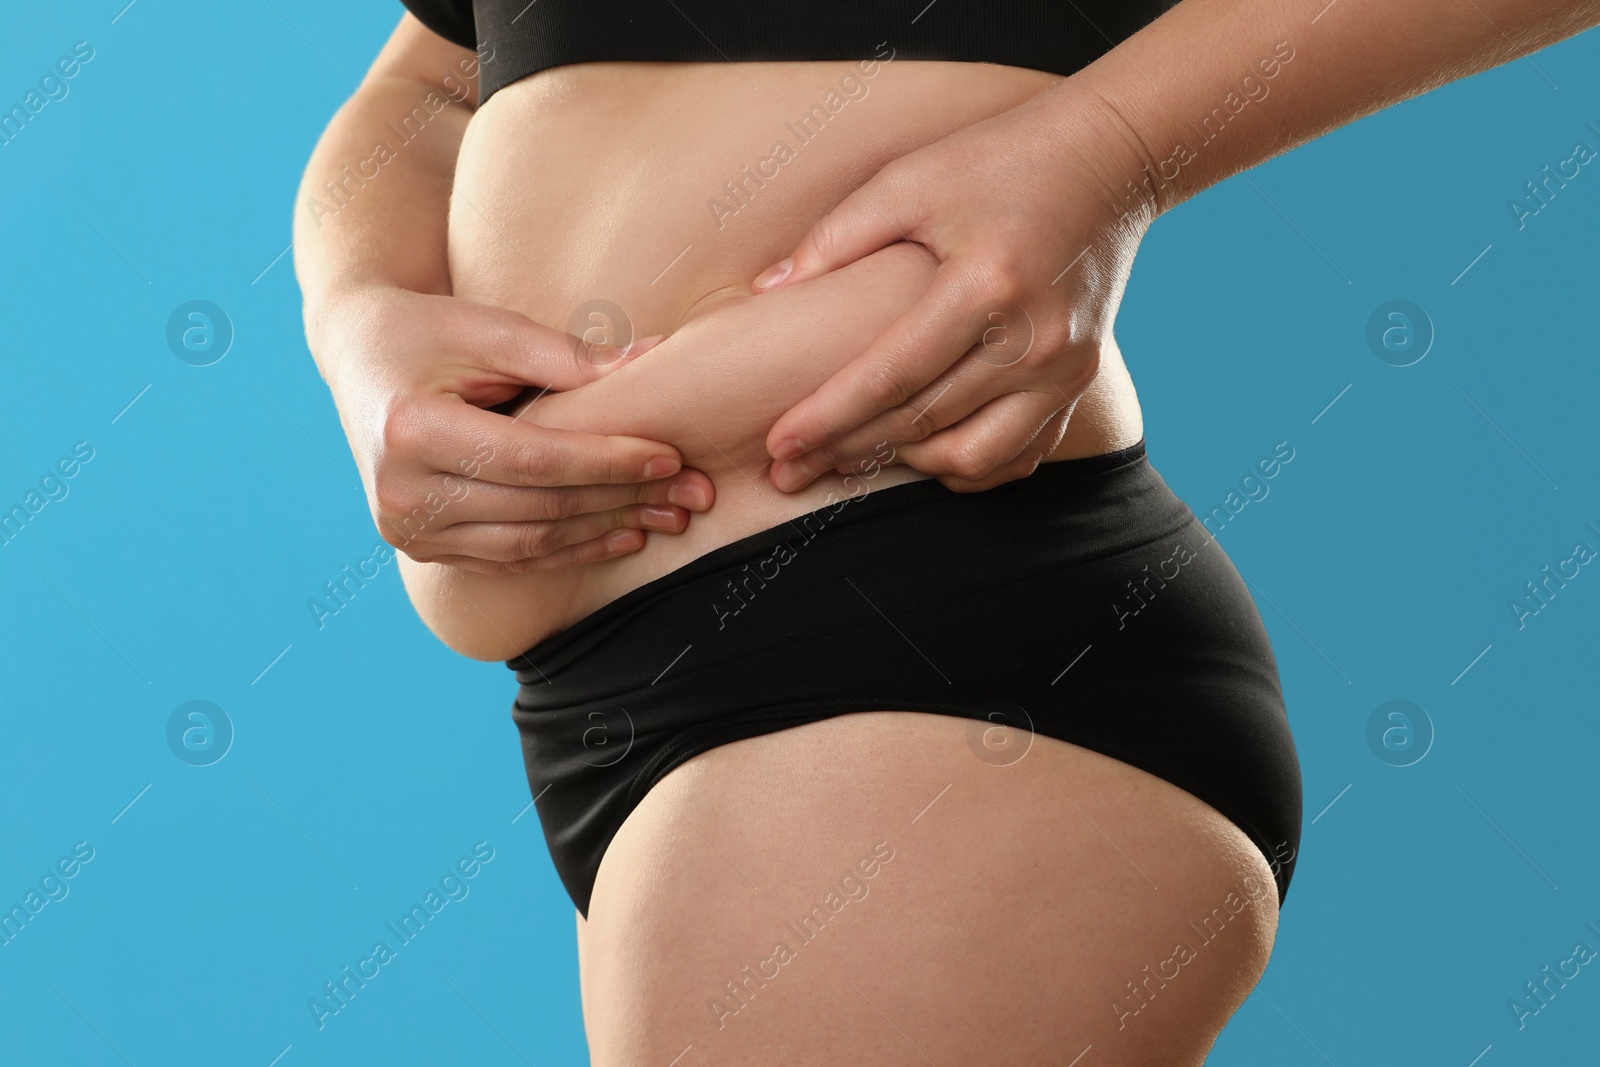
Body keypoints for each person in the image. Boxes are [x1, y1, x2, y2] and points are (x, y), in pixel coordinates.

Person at [292, 2, 1600, 1062]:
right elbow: (427, 85)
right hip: (624, 693)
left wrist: (1110, 149)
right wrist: (359, 324)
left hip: (930, 617)